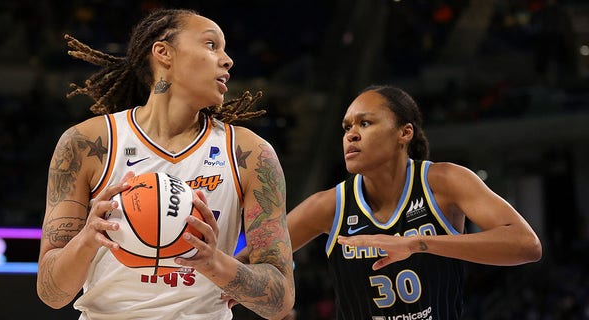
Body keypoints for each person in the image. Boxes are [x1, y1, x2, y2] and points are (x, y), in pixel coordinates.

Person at [36, 8, 294, 320]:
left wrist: (216, 263)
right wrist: (87, 239)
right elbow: (51, 294)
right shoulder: (87, 144)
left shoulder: (250, 153)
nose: (228, 61)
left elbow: (280, 301)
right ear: (164, 53)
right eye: (212, 45)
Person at [235, 85, 542, 319]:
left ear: (404, 133)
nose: (351, 135)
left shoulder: (444, 182)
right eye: (346, 127)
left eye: (365, 123)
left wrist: (418, 244)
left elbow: (526, 244)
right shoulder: (330, 205)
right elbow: (248, 261)